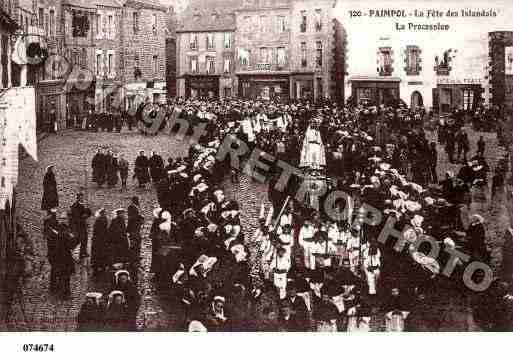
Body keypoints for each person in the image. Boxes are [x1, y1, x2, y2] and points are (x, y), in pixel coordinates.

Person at [48, 212, 78, 300]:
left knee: (63, 274)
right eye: (63, 219)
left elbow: (73, 242)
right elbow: (71, 243)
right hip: (59, 256)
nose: (64, 220)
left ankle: (59, 289)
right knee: (63, 275)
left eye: (65, 219)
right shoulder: (61, 231)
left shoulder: (65, 229)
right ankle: (63, 292)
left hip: (63, 256)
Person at [70, 192, 91, 259]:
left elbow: (88, 212)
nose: (82, 198)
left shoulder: (83, 204)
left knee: (85, 238)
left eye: (82, 197)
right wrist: (83, 217)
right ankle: (70, 249)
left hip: (82, 224)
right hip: (77, 225)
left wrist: (87, 214)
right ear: (78, 198)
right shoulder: (75, 205)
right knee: (78, 239)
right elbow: (75, 216)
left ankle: (83, 252)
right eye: (80, 197)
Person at [91, 208, 110, 276]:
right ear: (102, 213)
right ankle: (101, 266)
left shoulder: (98, 219)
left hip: (98, 239)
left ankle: (97, 266)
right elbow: (104, 230)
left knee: (97, 254)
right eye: (104, 213)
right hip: (101, 239)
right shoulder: (103, 219)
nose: (105, 214)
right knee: (101, 253)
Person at [127, 196, 144, 263]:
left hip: (136, 228)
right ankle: (133, 257)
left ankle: (136, 256)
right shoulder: (131, 207)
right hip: (133, 228)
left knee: (137, 242)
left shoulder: (134, 207)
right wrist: (140, 217)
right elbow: (132, 218)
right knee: (134, 243)